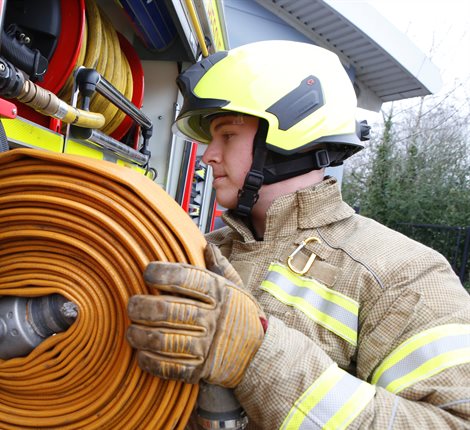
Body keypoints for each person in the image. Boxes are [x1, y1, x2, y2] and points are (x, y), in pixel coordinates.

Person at [126, 40, 470, 429]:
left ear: (288, 134)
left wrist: (257, 357)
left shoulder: (398, 274)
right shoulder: (203, 249)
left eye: (227, 136)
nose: (207, 155)